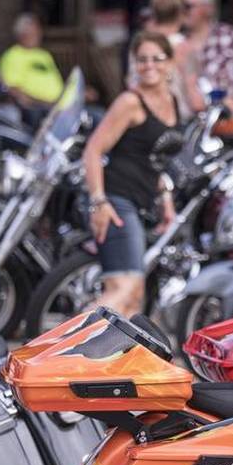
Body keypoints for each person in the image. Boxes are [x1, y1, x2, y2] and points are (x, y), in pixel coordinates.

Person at [83, 31, 180, 319]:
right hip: (116, 200)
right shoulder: (130, 102)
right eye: (142, 60)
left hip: (142, 201)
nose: (149, 65)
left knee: (134, 299)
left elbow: (154, 159)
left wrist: (166, 199)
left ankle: (105, 363)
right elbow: (93, 150)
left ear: (170, 63)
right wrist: (98, 202)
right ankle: (61, 352)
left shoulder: (172, 102)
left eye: (156, 59)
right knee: (122, 290)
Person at [176, 0, 233, 114]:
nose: (182, 11)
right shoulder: (174, 41)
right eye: (178, 6)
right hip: (186, 120)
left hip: (227, 119)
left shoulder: (231, 36)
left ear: (208, 9)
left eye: (187, 6)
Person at [0, 13, 65, 123]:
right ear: (21, 34)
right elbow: (12, 89)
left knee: (96, 116)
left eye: (38, 31)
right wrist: (43, 103)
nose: (38, 34)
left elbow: (57, 84)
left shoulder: (44, 55)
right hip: (37, 109)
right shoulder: (13, 55)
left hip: (60, 107)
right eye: (34, 32)